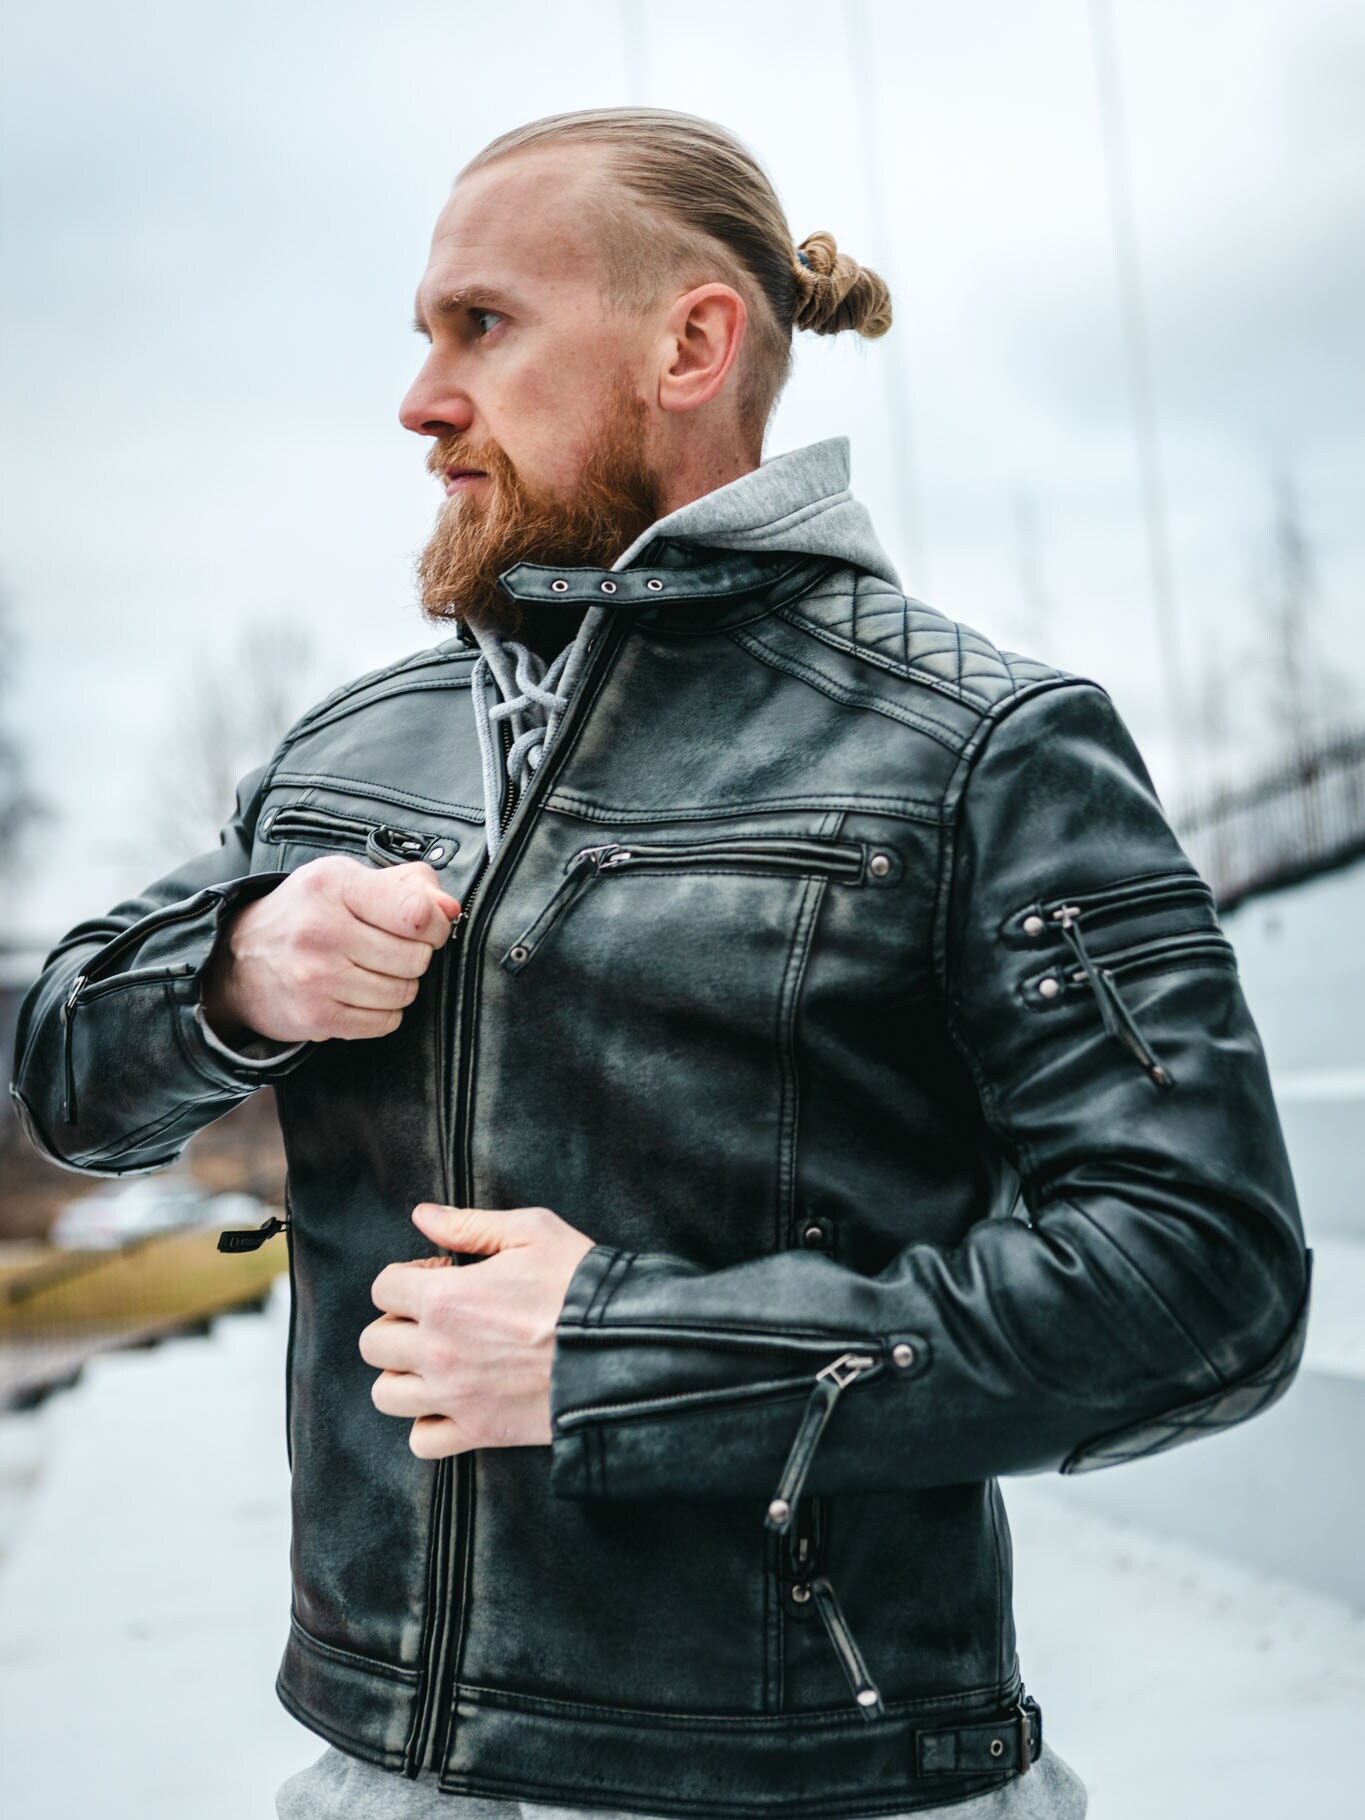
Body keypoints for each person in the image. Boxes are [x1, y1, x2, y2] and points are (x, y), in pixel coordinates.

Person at [11, 108, 1310, 1820]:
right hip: (381, 1773)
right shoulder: (351, 751)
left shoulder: (979, 748)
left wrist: (614, 1352)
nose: (419, 402)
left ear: (688, 345)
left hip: (812, 1782)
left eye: (480, 325)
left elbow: (1200, 1291)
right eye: (423, 336)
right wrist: (232, 970)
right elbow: (65, 1080)